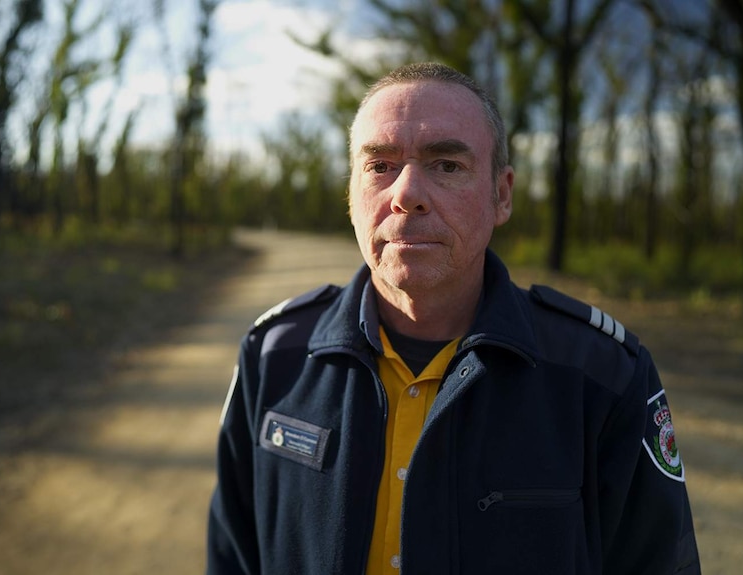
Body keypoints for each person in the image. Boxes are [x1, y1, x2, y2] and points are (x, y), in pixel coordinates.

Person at [207, 62, 701, 574]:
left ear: (501, 195)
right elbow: (232, 557)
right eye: (380, 166)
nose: (406, 193)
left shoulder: (601, 375)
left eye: (446, 165)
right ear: (351, 197)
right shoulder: (275, 355)